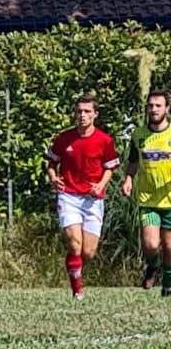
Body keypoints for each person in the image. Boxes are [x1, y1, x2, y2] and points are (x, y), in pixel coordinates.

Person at [45, 95, 119, 300]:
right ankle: (77, 291)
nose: (82, 115)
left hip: (93, 200)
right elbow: (51, 163)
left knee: (88, 252)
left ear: (95, 114)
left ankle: (74, 265)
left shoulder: (105, 140)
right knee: (75, 243)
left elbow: (110, 167)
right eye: (79, 111)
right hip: (68, 196)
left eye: (87, 111)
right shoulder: (64, 138)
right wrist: (53, 178)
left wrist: (101, 184)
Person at [121, 88, 171, 297]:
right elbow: (133, 162)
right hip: (148, 199)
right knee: (151, 244)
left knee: (169, 246)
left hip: (169, 200)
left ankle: (168, 282)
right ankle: (153, 265)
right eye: (150, 106)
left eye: (158, 105)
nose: (154, 109)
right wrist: (128, 179)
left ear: (167, 109)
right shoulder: (139, 134)